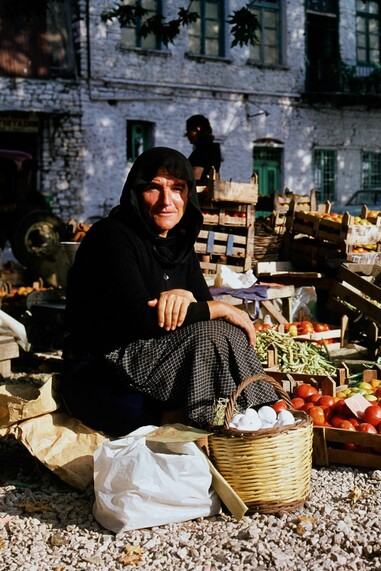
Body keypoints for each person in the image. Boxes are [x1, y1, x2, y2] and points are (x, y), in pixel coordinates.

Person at [60, 147, 277, 437]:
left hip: (153, 363)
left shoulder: (178, 247)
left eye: (178, 189)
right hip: (102, 372)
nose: (167, 201)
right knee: (211, 332)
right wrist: (221, 308)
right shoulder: (111, 236)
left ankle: (255, 418)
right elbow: (143, 319)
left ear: (189, 195)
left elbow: (202, 307)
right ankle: (206, 421)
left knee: (228, 332)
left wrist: (187, 299)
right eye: (154, 188)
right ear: (137, 191)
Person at [185, 114, 222, 185]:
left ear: (198, 129)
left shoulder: (204, 150)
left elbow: (194, 177)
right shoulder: (212, 148)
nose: (187, 135)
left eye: (189, 130)